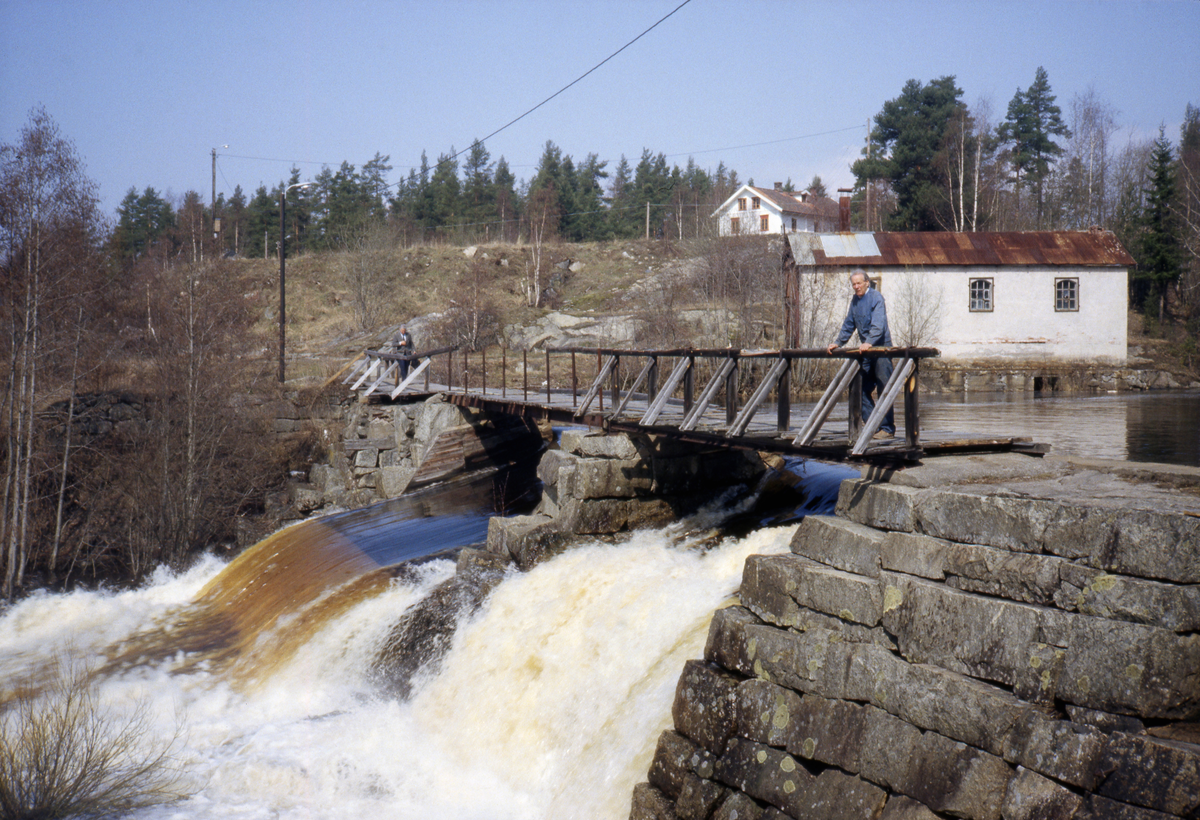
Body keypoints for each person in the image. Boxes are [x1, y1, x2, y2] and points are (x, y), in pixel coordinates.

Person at [827, 270, 895, 439]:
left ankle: (887, 429)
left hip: (881, 349)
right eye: (853, 284)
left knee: (884, 388)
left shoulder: (876, 298)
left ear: (867, 282)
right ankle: (875, 426)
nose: (856, 287)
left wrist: (869, 341)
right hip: (867, 351)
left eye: (859, 283)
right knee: (859, 389)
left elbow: (878, 325)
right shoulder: (855, 301)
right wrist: (838, 342)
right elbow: (849, 323)